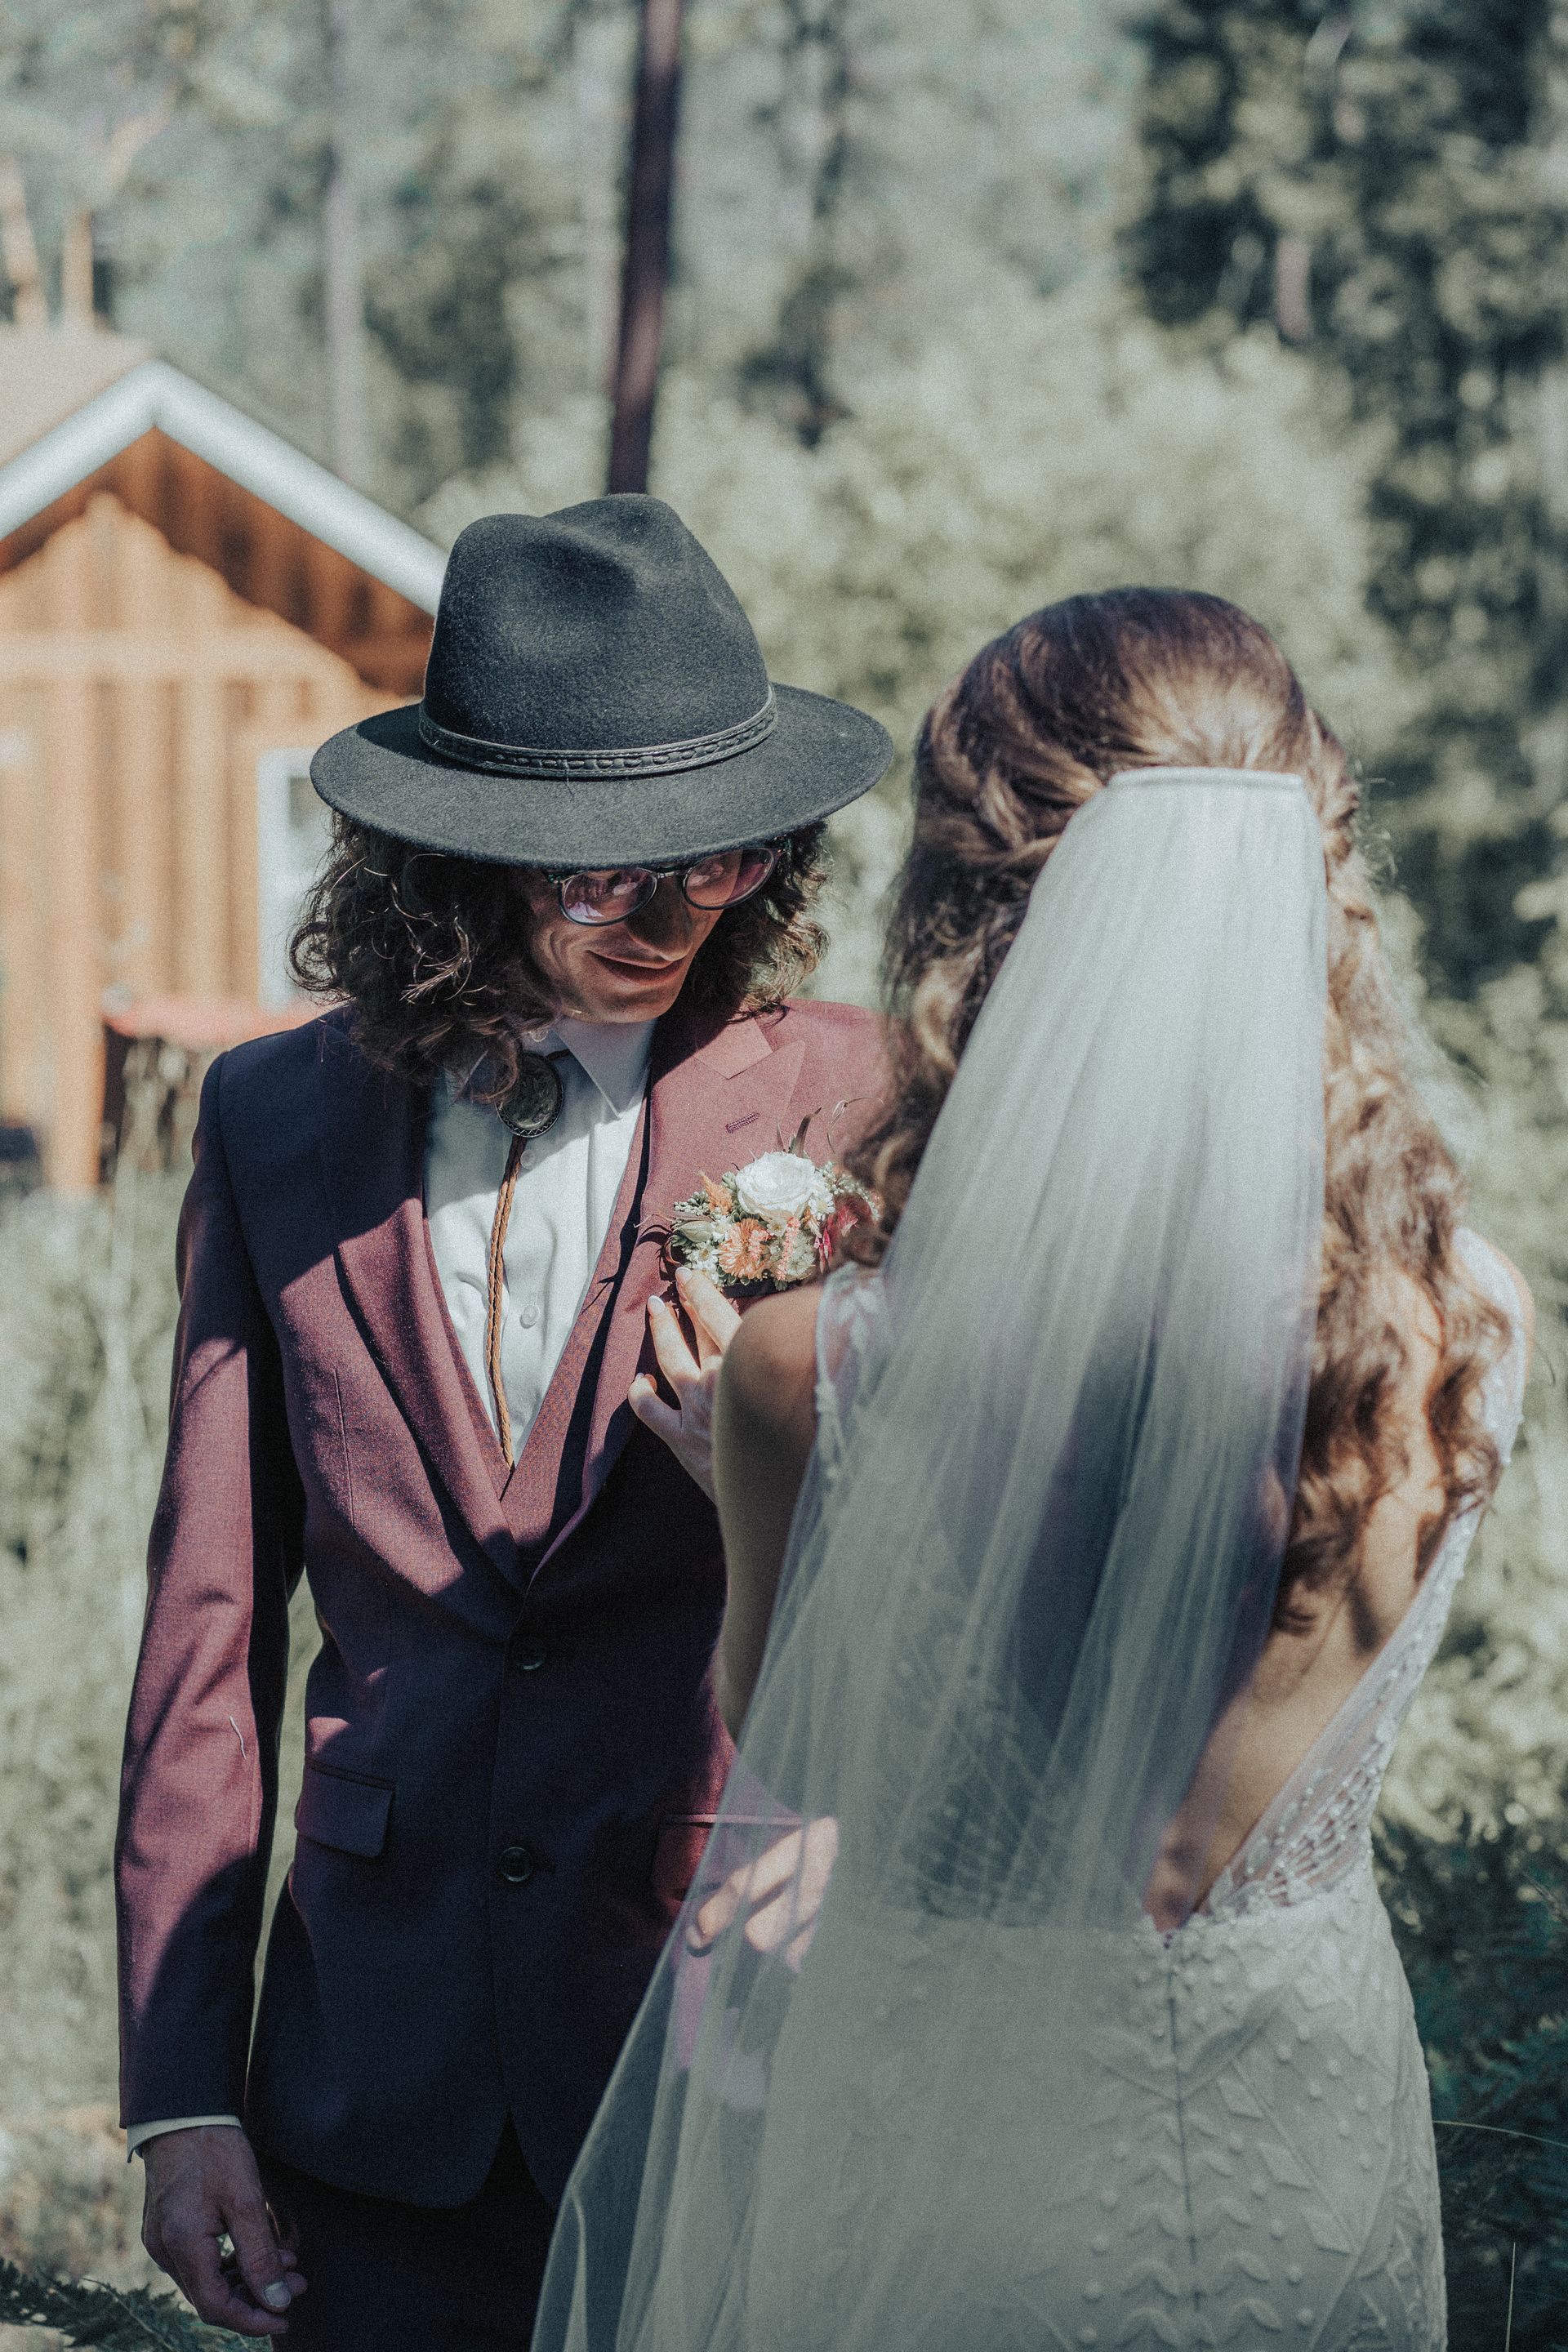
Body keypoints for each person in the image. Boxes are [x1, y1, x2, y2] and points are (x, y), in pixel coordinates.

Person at [532, 588, 1533, 2352]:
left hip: (938, 2136)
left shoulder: (811, 1367)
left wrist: (763, 1485)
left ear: (972, 914)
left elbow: (807, 1746)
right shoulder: (1472, 1330)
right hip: (1295, 2128)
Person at [114, 495, 892, 2350]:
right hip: (373, 2090)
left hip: (731, 2059)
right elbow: (205, 1631)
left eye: (709, 865)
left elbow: (980, 1579)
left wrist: (789, 1478)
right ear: (456, 856)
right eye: (595, 870)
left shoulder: (862, 1105)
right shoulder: (269, 1124)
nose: (657, 915)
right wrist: (178, 2088)